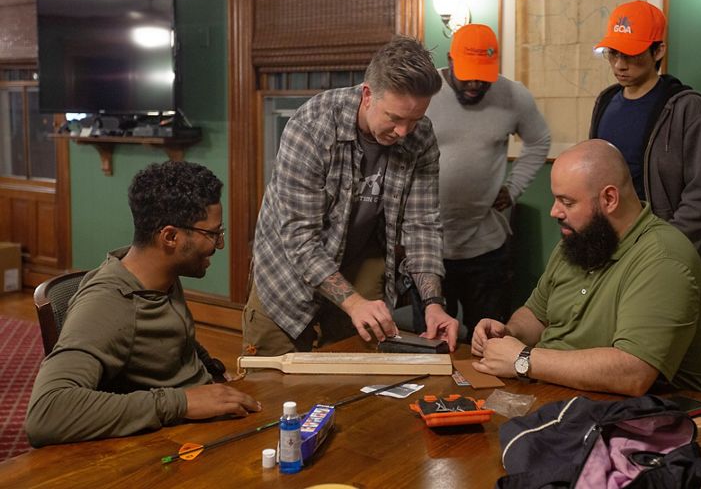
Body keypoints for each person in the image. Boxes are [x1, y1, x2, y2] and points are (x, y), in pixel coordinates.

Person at [243, 35, 459, 356]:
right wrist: (353, 303)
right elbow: (300, 240)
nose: (404, 132)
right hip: (285, 272)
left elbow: (422, 227)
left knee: (351, 370)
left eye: (414, 119)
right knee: (273, 383)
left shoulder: (421, 137)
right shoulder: (311, 127)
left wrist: (432, 304)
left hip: (361, 263)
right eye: (395, 118)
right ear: (368, 95)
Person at [25, 161, 260, 447]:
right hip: (169, 446)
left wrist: (213, 370)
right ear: (170, 237)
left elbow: (172, 336)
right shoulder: (108, 305)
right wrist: (181, 402)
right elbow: (46, 412)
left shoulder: (162, 275)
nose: (218, 245)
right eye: (212, 235)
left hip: (203, 424)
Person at [472, 139, 701, 396]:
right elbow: (537, 314)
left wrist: (523, 359)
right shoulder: (580, 238)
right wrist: (508, 333)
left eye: (567, 202)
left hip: (635, 416)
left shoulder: (664, 260)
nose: (554, 211)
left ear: (609, 198)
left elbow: (634, 373)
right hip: (554, 394)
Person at [425, 24, 550, 339]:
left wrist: (514, 186)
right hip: (427, 248)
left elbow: (539, 140)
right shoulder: (424, 92)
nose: (475, 83)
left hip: (487, 247)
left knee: (491, 341)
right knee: (434, 344)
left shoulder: (513, 95)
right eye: (467, 72)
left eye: (483, 74)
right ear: (450, 60)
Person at [589, 0, 701, 257]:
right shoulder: (605, 101)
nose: (619, 65)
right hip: (608, 244)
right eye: (613, 54)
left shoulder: (686, 107)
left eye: (631, 55)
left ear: (658, 51)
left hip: (661, 248)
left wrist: (663, 248)